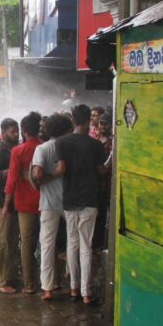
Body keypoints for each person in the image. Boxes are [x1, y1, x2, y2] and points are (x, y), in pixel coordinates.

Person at [53, 105, 107, 305]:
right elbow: (101, 171)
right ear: (87, 122)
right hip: (89, 199)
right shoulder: (95, 145)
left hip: (69, 198)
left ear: (73, 121)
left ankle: (74, 288)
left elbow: (62, 168)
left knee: (72, 243)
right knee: (86, 245)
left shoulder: (61, 142)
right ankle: (85, 292)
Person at [31, 113, 73, 301]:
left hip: (48, 202)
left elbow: (37, 175)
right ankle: (74, 284)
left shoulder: (42, 148)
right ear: (67, 129)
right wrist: (58, 173)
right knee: (74, 242)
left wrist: (51, 176)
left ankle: (47, 288)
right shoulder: (71, 146)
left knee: (47, 244)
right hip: (71, 201)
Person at [2, 112, 42, 294]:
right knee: (49, 242)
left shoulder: (18, 151)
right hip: (46, 201)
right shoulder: (46, 147)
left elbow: (11, 180)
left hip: (24, 203)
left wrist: (5, 205)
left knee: (26, 243)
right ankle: (53, 281)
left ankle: (29, 284)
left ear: (24, 131)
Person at [0, 118, 20, 293]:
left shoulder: (15, 149)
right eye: (12, 131)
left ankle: (10, 275)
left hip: (15, 201)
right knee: (1, 242)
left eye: (17, 131)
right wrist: (10, 172)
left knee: (12, 241)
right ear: (3, 132)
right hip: (0, 202)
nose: (15, 134)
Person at [92, 113, 114, 252]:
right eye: (101, 123)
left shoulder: (113, 142)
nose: (103, 126)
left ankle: (106, 244)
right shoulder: (95, 141)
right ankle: (97, 244)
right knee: (98, 216)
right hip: (96, 184)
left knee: (109, 216)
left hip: (108, 183)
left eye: (106, 124)